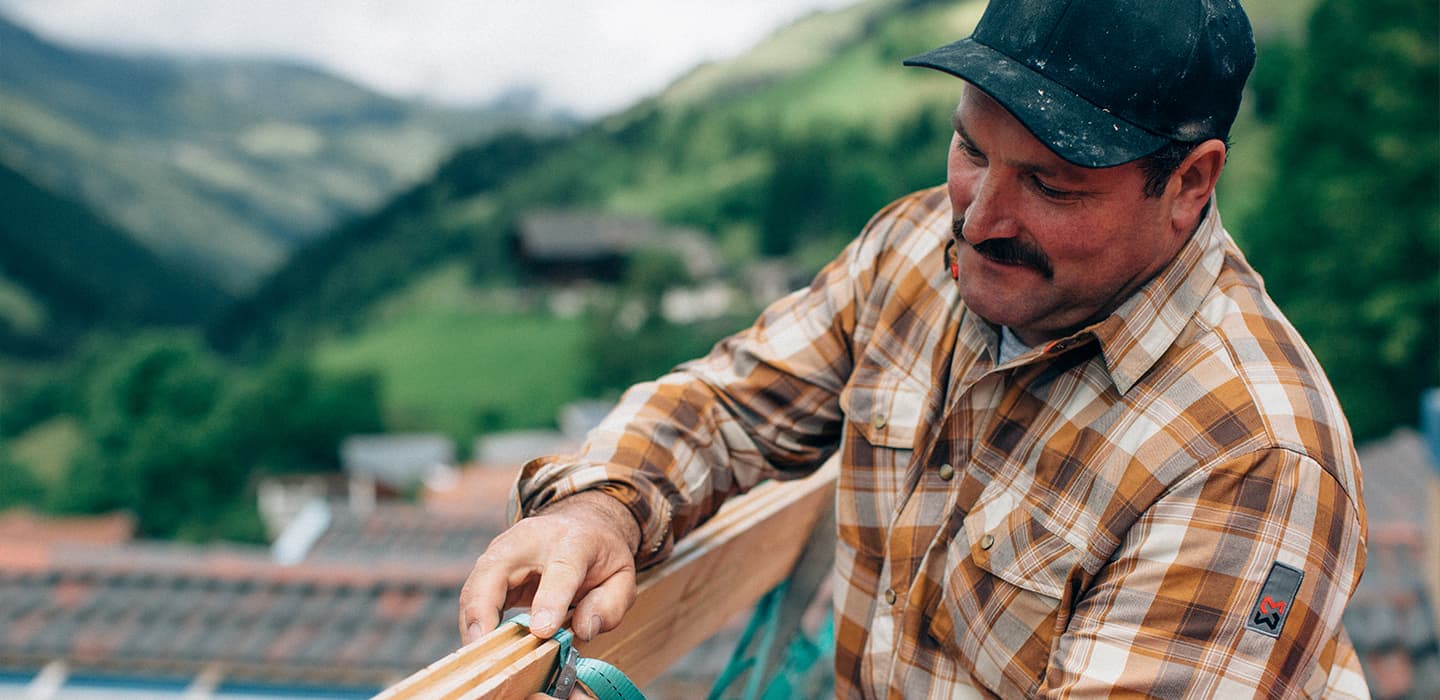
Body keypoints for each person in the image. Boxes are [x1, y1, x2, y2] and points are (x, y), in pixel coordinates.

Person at [459, 0, 1370, 696]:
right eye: (970, 149)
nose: (979, 218)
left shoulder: (1254, 462)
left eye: (1050, 185)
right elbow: (732, 403)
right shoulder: (919, 250)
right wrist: (599, 510)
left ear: (1189, 183)